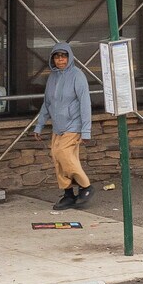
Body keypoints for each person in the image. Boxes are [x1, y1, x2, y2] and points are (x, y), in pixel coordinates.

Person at [32, 43, 92, 210]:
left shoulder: (77, 76)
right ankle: (68, 194)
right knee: (57, 158)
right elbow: (47, 103)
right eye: (57, 57)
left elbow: (85, 103)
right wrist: (39, 125)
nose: (60, 60)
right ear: (53, 59)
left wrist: (86, 130)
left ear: (69, 57)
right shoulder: (52, 77)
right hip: (58, 126)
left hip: (73, 125)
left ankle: (86, 186)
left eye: (64, 56)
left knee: (63, 154)